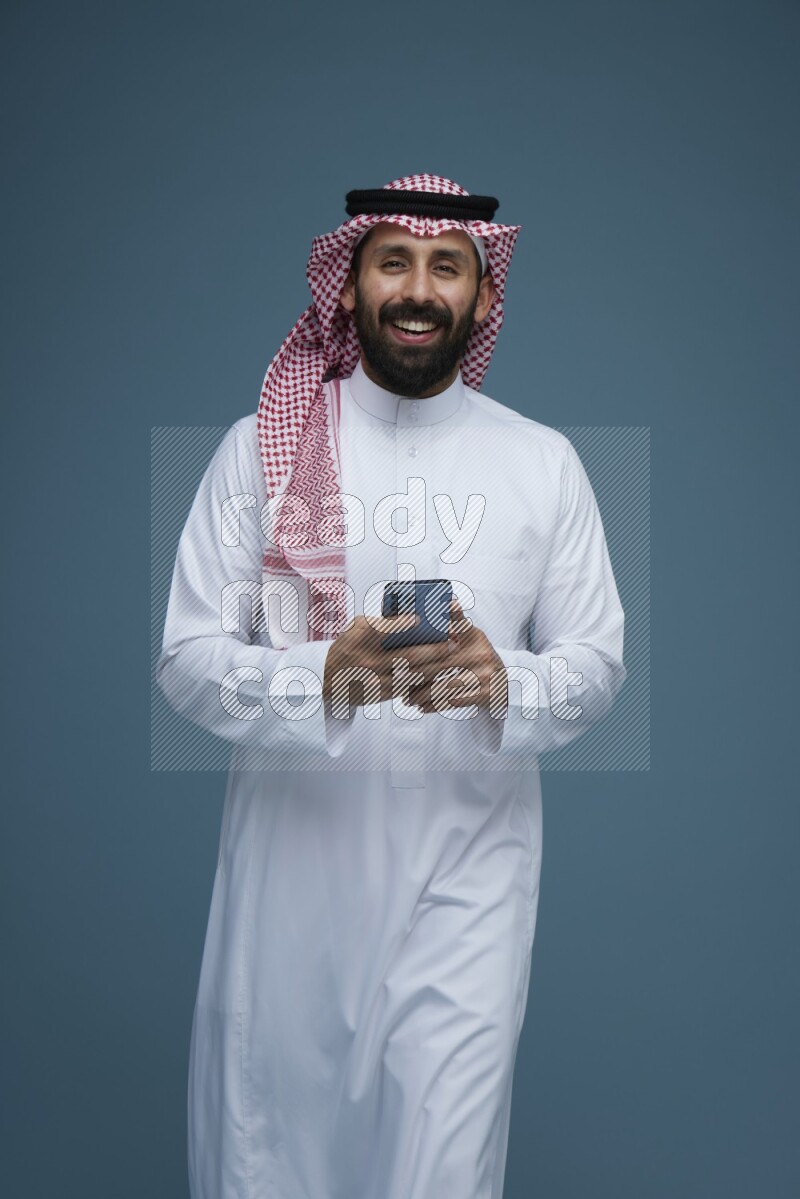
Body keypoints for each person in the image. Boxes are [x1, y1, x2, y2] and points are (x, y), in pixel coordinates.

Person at [157, 174, 626, 1198]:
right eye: (393, 263)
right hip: (290, 894)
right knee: (271, 1162)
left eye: (445, 267)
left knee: (441, 1173)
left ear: (483, 298)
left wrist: (507, 680)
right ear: (350, 285)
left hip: (467, 890)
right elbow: (185, 662)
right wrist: (323, 674)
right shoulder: (259, 452)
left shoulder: (542, 464)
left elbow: (594, 662)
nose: (418, 289)